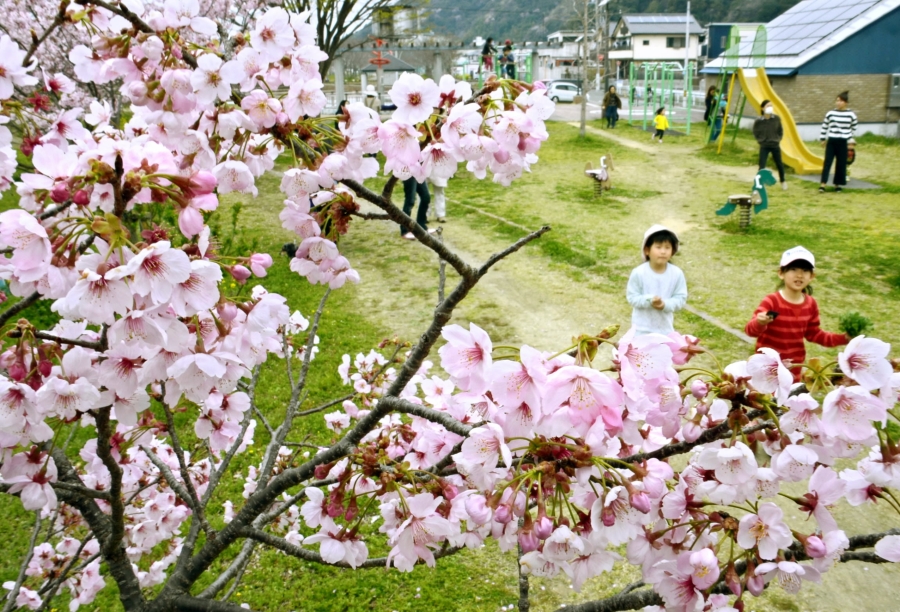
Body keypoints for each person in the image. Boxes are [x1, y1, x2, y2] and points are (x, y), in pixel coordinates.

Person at [744, 246, 849, 381]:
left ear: (812, 276)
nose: (799, 275)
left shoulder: (811, 304)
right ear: (781, 273)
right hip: (766, 369)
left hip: (793, 370)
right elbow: (750, 331)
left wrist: (844, 338)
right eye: (793, 269)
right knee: (765, 400)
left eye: (805, 270)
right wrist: (759, 323)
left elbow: (814, 334)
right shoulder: (772, 301)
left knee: (788, 401)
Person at [626, 225, 688, 336]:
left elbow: (680, 298)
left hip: (665, 331)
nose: (663, 251)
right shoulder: (639, 272)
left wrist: (665, 304)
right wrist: (650, 300)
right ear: (647, 250)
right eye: (658, 247)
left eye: (667, 247)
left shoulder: (676, 273)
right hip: (641, 331)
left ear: (673, 251)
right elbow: (632, 297)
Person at [818, 91, 857, 193]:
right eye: (837, 101)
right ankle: (823, 184)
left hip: (843, 142)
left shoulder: (851, 115)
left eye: (840, 101)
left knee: (841, 164)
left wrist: (850, 140)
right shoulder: (831, 113)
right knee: (827, 162)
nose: (838, 103)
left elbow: (853, 128)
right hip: (832, 140)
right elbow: (825, 126)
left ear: (846, 102)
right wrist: (822, 139)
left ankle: (837, 185)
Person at [753, 99, 788, 191]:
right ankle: (759, 183)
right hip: (764, 145)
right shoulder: (758, 121)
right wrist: (760, 140)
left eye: (771, 106)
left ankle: (783, 181)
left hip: (775, 145)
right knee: (762, 165)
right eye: (768, 106)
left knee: (779, 164)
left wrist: (778, 139)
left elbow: (780, 130)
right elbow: (755, 132)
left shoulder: (776, 119)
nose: (770, 108)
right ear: (762, 108)